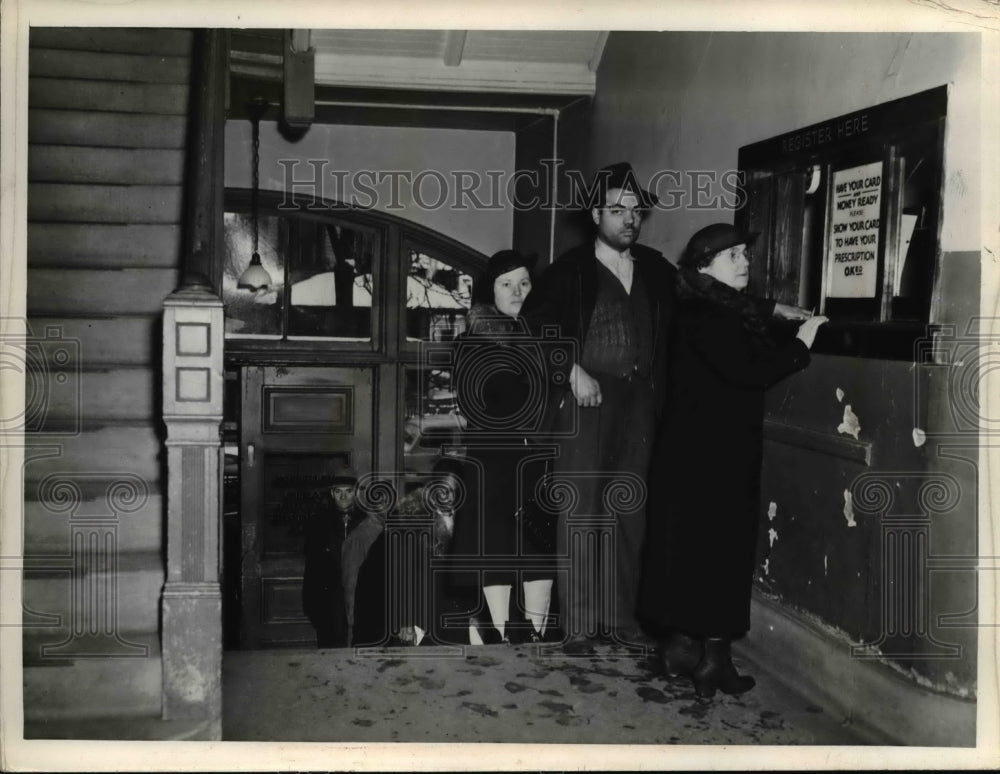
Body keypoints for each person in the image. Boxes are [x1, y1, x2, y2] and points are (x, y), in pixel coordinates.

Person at [637, 222, 827, 698]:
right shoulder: (714, 316)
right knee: (722, 553)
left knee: (686, 552)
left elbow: (742, 323)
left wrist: (777, 315)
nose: (745, 262)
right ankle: (714, 662)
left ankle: (679, 649)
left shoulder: (700, 306)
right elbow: (751, 370)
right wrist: (802, 344)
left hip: (686, 456)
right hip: (720, 458)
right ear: (705, 266)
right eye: (733, 256)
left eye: (745, 253)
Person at [520, 162, 675, 642]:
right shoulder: (570, 270)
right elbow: (533, 328)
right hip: (586, 402)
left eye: (635, 210)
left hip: (640, 404)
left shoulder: (654, 267)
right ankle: (581, 627)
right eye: (616, 209)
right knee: (582, 512)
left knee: (629, 511)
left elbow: (706, 293)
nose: (629, 218)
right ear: (595, 214)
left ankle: (620, 620)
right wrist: (572, 371)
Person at [449, 249, 557, 644]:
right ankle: (495, 641)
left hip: (536, 463)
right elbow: (491, 403)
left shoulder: (539, 337)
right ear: (489, 291)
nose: (518, 291)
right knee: (496, 551)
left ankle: (536, 637)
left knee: (538, 554)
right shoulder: (472, 343)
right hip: (495, 464)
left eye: (525, 283)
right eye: (507, 284)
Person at [352, 456, 465, 647]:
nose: (449, 497)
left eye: (455, 491)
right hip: (419, 615)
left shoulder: (464, 520)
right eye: (444, 489)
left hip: (451, 612)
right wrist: (404, 620)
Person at [301, 467, 370, 648]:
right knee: (330, 653)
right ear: (332, 493)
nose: (343, 496)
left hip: (361, 601)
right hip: (329, 604)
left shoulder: (368, 521)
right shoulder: (319, 523)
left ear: (356, 492)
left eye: (348, 491)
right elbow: (312, 570)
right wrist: (314, 609)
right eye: (338, 491)